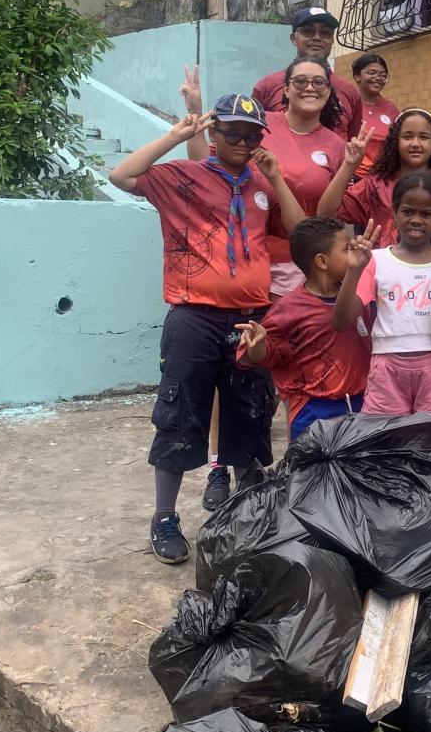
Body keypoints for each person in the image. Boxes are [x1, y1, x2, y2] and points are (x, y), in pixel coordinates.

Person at [109, 95, 306, 566]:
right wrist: (177, 136)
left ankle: (249, 518)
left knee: (250, 414)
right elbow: (121, 176)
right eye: (232, 132)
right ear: (213, 135)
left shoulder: (262, 185)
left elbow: (302, 236)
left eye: (252, 134)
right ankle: (164, 517)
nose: (242, 141)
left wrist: (277, 177)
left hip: (250, 318)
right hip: (193, 316)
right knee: (179, 414)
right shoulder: (184, 176)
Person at [197, 56, 344, 299]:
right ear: (286, 89)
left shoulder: (338, 146)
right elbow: (205, 167)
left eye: (319, 82)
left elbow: (330, 217)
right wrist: (194, 114)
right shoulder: (259, 125)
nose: (310, 88)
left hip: (302, 266)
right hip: (246, 256)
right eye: (300, 81)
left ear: (328, 91)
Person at [335, 173, 431, 417]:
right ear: (394, 212)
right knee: (387, 444)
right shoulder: (376, 260)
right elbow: (341, 321)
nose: (416, 220)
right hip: (387, 369)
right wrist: (354, 270)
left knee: (430, 445)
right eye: (408, 211)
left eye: (426, 214)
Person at [239, 216, 369, 438]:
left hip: (361, 406)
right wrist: (257, 342)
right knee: (313, 472)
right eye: (347, 249)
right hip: (313, 412)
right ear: (322, 262)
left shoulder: (359, 296)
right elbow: (261, 356)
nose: (354, 253)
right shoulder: (289, 309)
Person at [317, 107, 431, 245]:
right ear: (395, 142)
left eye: (423, 137)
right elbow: (326, 213)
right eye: (407, 136)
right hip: (384, 265)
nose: (415, 143)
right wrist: (349, 164)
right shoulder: (376, 185)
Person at [248, 7, 363, 139]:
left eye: (325, 33)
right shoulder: (266, 86)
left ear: (332, 40)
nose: (317, 38)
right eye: (308, 31)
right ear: (293, 38)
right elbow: (250, 133)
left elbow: (353, 142)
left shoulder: (349, 92)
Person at [350, 53, 399, 180]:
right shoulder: (348, 104)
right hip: (352, 176)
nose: (378, 78)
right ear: (357, 76)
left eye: (383, 75)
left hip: (384, 178)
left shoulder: (391, 109)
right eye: (371, 73)